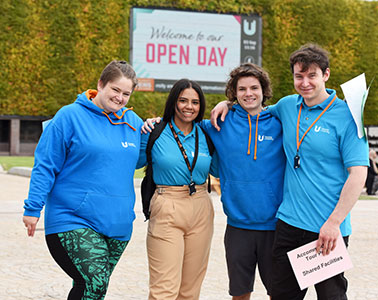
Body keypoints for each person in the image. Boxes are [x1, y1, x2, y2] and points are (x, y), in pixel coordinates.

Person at [211, 44, 369, 300]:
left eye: (312, 75)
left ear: (326, 75)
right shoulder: (286, 106)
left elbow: (358, 174)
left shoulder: (348, 116)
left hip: (327, 230)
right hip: (288, 226)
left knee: (331, 297)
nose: (305, 82)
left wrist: (334, 222)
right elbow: (253, 109)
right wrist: (227, 103)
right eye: (299, 76)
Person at [142, 64, 286, 300]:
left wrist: (226, 104)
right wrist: (153, 123)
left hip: (275, 224)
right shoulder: (217, 125)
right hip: (237, 225)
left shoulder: (281, 121)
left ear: (264, 90)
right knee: (238, 293)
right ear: (234, 92)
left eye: (254, 88)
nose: (248, 93)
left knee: (278, 292)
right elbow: (181, 123)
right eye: (242, 89)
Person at [23, 60, 143, 300]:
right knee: (93, 282)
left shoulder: (134, 123)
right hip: (72, 218)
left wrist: (154, 127)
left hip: (118, 224)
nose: (120, 98)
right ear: (100, 84)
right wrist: (33, 207)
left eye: (126, 93)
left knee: (94, 290)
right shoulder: (69, 116)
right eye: (115, 90)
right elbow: (46, 164)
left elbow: (143, 159)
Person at [136, 79, 218, 300]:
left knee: (190, 291)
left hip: (201, 206)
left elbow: (219, 169)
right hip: (167, 205)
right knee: (164, 290)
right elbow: (130, 162)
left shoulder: (206, 133)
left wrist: (227, 106)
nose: (188, 106)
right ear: (173, 102)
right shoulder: (154, 131)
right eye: (182, 100)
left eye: (195, 102)